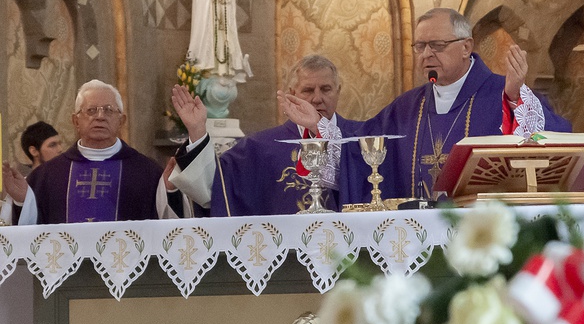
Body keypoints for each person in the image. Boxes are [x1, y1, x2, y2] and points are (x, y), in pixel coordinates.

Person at [281, 8, 572, 205]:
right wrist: (317, 127)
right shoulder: (407, 108)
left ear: (466, 47)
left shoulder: (504, 93)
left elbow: (549, 149)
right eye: (420, 46)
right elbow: (359, 153)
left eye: (437, 45)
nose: (426, 55)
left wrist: (515, 99)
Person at [168, 55, 360, 215]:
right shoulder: (258, 148)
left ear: (338, 91)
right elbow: (216, 190)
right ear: (292, 94)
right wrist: (197, 130)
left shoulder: (361, 139)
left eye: (326, 89)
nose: (317, 98)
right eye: (308, 90)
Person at [2, 80, 187, 224]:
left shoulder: (146, 172)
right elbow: (29, 236)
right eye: (91, 110)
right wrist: (22, 201)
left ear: (121, 121)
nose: (100, 116)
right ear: (75, 121)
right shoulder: (46, 176)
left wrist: (170, 191)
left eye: (108, 110)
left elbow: (170, 229)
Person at [0, 121, 63, 224]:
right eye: (52, 145)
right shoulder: (23, 184)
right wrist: (20, 201)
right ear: (34, 151)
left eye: (60, 144)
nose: (60, 149)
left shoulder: (65, 180)